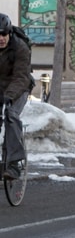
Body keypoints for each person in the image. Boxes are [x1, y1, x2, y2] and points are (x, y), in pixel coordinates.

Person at [0, 13, 32, 181]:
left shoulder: (20, 47)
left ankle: (14, 164)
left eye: (4, 34)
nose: (1, 38)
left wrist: (9, 97)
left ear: (9, 33)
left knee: (10, 115)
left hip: (19, 88)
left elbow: (21, 77)